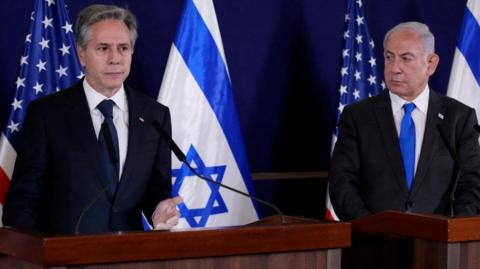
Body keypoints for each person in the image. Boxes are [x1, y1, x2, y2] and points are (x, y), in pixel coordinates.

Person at [2, 4, 182, 234]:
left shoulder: (155, 115)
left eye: (123, 48)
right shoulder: (47, 114)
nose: (115, 58)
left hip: (131, 256)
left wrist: (159, 208)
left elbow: (156, 189)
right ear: (81, 54)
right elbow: (23, 199)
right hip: (63, 258)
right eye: (103, 48)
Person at [329, 21, 480, 221]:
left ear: (431, 64)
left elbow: (473, 183)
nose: (395, 68)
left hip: (439, 245)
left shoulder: (458, 118)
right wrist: (372, 228)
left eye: (406, 59)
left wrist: (453, 231)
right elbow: (342, 184)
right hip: (373, 243)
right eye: (389, 57)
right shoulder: (358, 117)